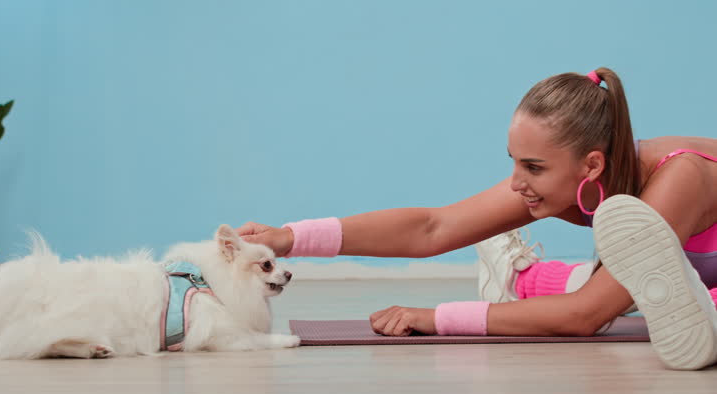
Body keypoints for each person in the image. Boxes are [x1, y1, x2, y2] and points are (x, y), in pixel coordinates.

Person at [235, 67, 717, 371]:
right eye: (514, 161)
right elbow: (433, 227)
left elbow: (586, 314)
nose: (514, 183)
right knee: (630, 288)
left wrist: (436, 318)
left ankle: (537, 281)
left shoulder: (681, 177)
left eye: (532, 167)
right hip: (692, 270)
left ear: (591, 165)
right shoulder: (574, 178)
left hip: (696, 272)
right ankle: (528, 278)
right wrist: (289, 238)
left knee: (616, 294)